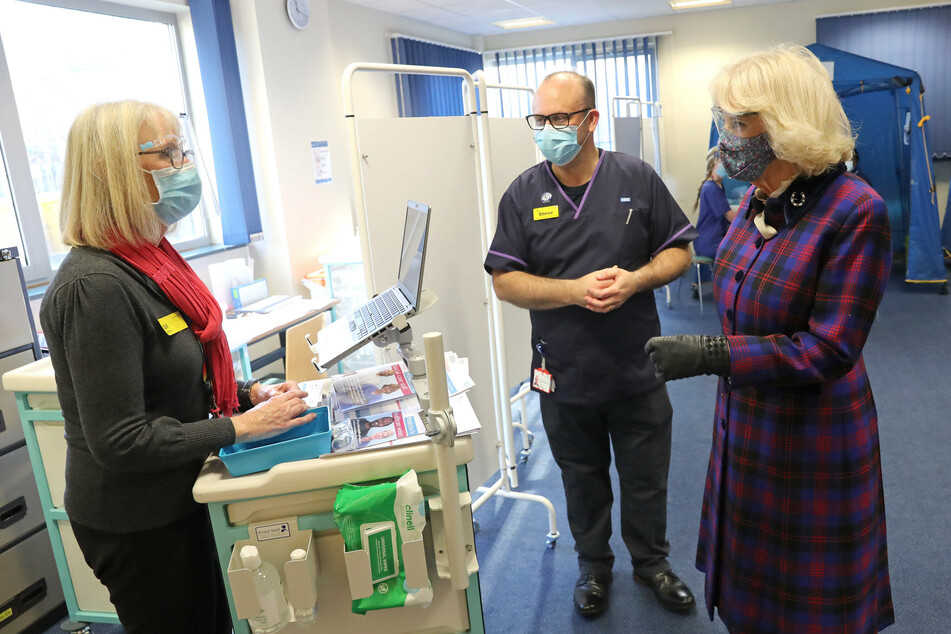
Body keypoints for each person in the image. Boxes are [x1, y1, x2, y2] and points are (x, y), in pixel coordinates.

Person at [39, 101, 315, 633]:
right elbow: (120, 439)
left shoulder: (152, 257)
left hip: (183, 494)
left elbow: (177, 381)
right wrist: (239, 426)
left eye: (181, 149)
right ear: (112, 170)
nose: (182, 163)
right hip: (137, 520)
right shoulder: (94, 286)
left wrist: (246, 396)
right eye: (167, 153)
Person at [645, 44, 894, 633]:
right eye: (722, 118)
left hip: (811, 440)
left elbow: (830, 349)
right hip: (746, 426)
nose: (725, 135)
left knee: (805, 613)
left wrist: (714, 354)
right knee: (747, 601)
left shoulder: (855, 210)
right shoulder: (758, 197)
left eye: (738, 121)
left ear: (786, 120)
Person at [484, 70, 699, 617]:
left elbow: (680, 252)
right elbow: (505, 279)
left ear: (591, 120)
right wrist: (573, 292)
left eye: (561, 118)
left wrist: (636, 279)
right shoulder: (524, 193)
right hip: (563, 372)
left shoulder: (637, 177)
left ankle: (652, 564)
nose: (549, 129)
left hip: (637, 366)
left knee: (646, 477)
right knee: (581, 481)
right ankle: (593, 568)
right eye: (541, 120)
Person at [692, 146, 737, 260]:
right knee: (741, 252)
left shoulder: (718, 186)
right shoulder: (711, 188)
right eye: (724, 163)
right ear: (713, 164)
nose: (727, 166)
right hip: (709, 243)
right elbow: (730, 217)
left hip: (711, 240)